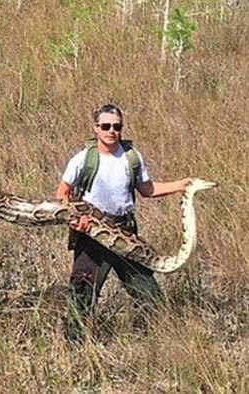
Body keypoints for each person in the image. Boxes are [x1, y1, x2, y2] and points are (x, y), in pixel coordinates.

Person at [55, 103, 192, 341]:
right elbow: (62, 194)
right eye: (105, 126)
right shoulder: (83, 159)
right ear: (95, 128)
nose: (111, 131)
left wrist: (181, 185)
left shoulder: (131, 157)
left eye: (116, 126)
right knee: (82, 293)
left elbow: (147, 189)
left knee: (147, 290)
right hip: (92, 235)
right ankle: (74, 348)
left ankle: (162, 339)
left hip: (125, 232)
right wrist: (77, 220)